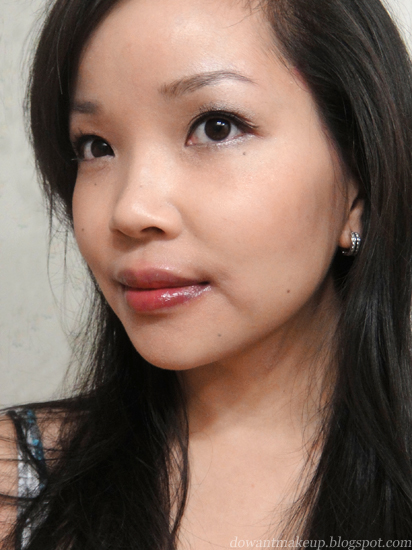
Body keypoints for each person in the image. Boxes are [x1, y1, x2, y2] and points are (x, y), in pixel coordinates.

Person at [1, 0, 412, 547]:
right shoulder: (17, 486)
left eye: (216, 128)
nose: (130, 210)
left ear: (357, 182)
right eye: (96, 147)